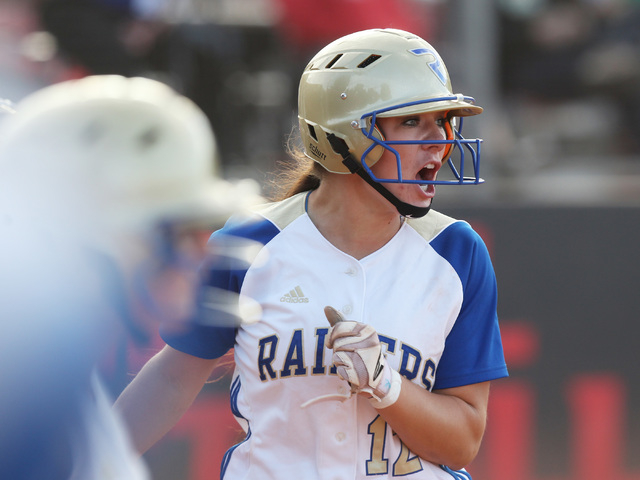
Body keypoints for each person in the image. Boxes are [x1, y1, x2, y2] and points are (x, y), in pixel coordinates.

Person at [115, 28, 509, 479]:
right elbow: (171, 378)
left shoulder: (457, 251)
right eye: (412, 121)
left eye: (443, 120)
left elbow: (462, 441)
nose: (438, 140)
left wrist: (387, 385)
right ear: (344, 134)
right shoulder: (252, 242)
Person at [0, 74, 262, 479]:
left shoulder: (60, 370)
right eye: (177, 233)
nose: (200, 255)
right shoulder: (26, 387)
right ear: (83, 239)